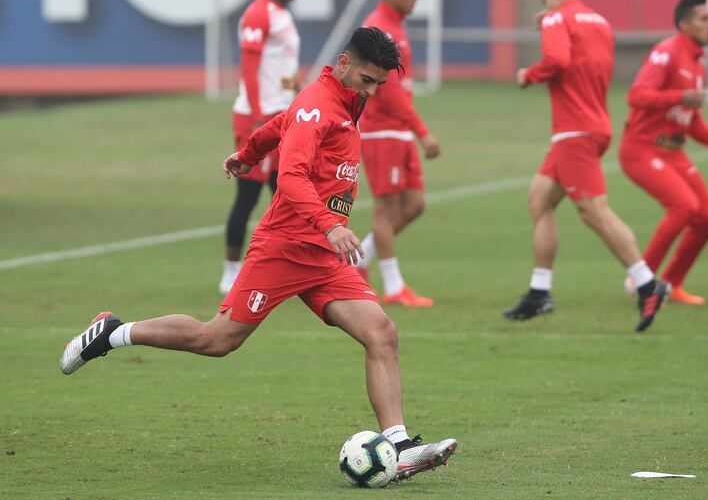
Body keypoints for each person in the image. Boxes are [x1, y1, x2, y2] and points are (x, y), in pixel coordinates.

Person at [60, 27, 457, 480]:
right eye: (367, 79)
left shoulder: (344, 100)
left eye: (378, 84)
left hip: (323, 256)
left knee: (381, 332)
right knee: (218, 340)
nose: (371, 90)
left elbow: (282, 121)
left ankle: (400, 446)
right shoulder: (319, 104)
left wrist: (248, 152)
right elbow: (290, 177)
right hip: (287, 247)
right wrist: (329, 225)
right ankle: (112, 332)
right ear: (344, 63)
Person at [503, 0, 668, 332]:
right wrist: (551, 21)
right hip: (595, 122)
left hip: (573, 130)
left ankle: (646, 283)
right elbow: (582, 61)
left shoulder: (558, 17)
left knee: (594, 212)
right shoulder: (600, 23)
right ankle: (539, 291)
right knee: (540, 199)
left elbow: (559, 59)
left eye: (546, 1)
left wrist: (528, 74)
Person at [619, 0, 708, 305]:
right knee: (683, 206)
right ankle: (640, 280)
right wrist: (678, 95)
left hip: (672, 153)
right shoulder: (666, 52)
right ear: (684, 25)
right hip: (641, 150)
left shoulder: (697, 65)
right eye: (704, 19)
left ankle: (671, 284)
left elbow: (691, 124)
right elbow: (637, 95)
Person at [354, 0, 441, 307]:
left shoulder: (397, 27)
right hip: (381, 130)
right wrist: (423, 131)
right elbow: (387, 92)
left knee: (415, 204)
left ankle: (358, 260)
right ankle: (393, 286)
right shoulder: (378, 30)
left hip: (398, 129)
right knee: (386, 209)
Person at [220, 0, 302, 295]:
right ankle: (230, 272)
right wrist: (256, 119)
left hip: (282, 116)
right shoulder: (259, 12)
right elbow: (249, 70)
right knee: (249, 194)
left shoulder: (282, 14)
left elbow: (282, 70)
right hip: (259, 117)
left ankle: (289, 267)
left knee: (289, 192)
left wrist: (299, 96)